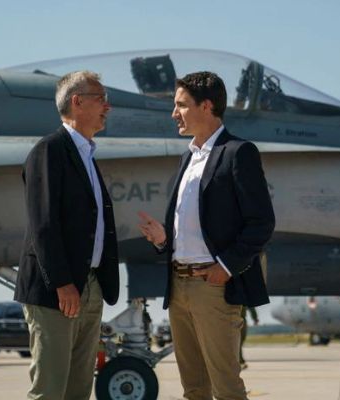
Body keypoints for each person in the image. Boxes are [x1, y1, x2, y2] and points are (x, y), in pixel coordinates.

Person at [139, 71, 275, 400]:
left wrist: (225, 267)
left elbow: (261, 222)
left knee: (226, 389)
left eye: (181, 105)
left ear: (207, 106)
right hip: (179, 285)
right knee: (194, 390)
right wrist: (163, 241)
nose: (174, 113)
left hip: (213, 287)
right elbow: (195, 226)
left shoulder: (238, 153)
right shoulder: (188, 157)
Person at [14, 70, 120, 399]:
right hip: (57, 291)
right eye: (100, 98)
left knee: (78, 390)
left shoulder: (87, 155)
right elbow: (43, 224)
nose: (108, 106)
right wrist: (62, 282)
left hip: (88, 286)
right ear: (77, 102)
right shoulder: (49, 151)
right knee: (50, 390)